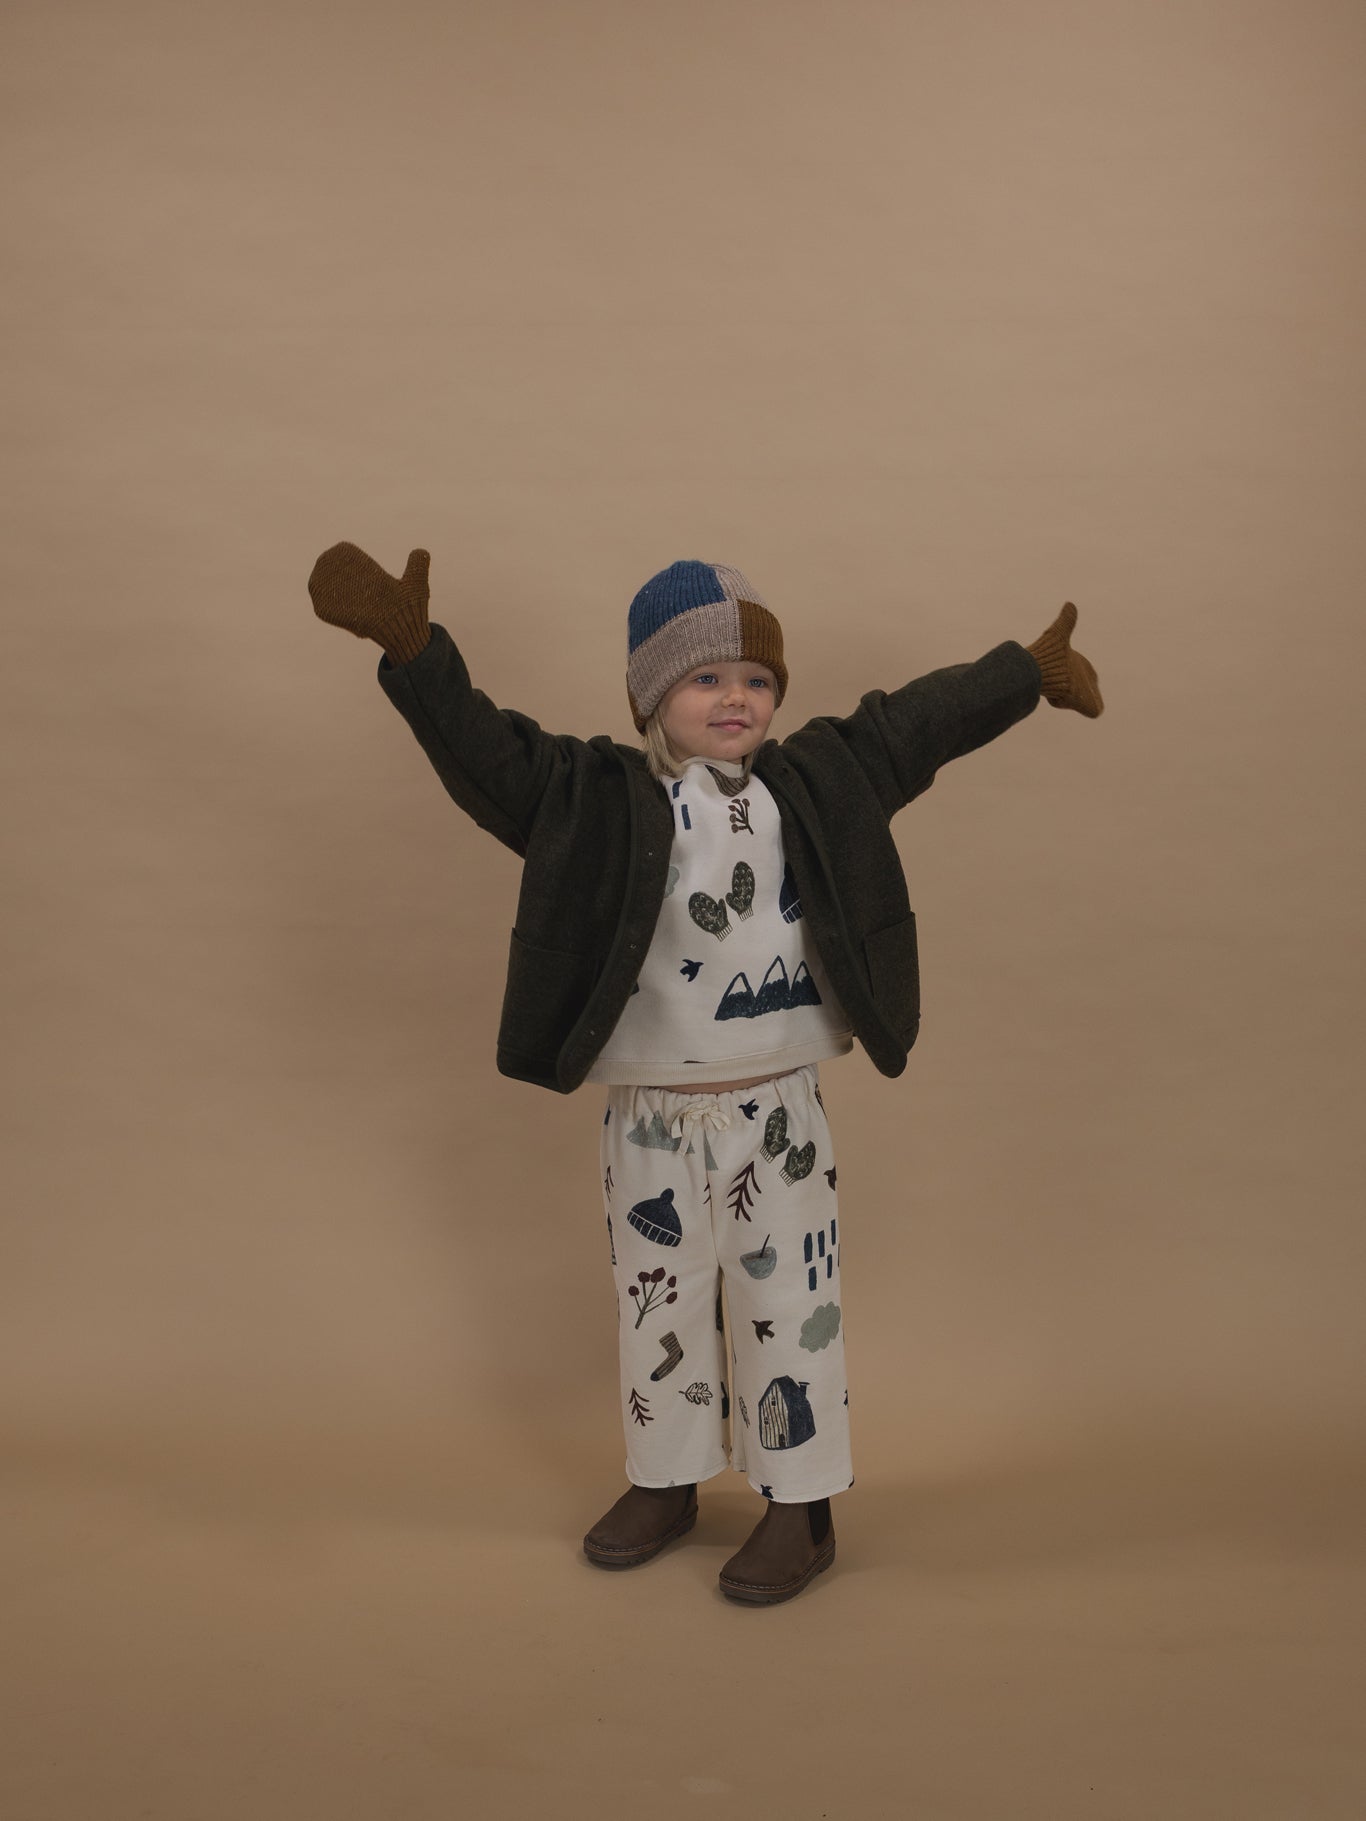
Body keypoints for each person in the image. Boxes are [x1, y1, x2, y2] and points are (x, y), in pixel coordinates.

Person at [308, 542, 1103, 1604]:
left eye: (757, 678)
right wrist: (416, 652)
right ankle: (666, 1478)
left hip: (777, 1114)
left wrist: (1028, 671)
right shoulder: (593, 797)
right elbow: (489, 758)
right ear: (651, 694)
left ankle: (800, 1507)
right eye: (706, 677)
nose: (737, 697)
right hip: (649, 1118)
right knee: (658, 1310)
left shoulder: (817, 779)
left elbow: (919, 721)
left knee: (791, 1302)